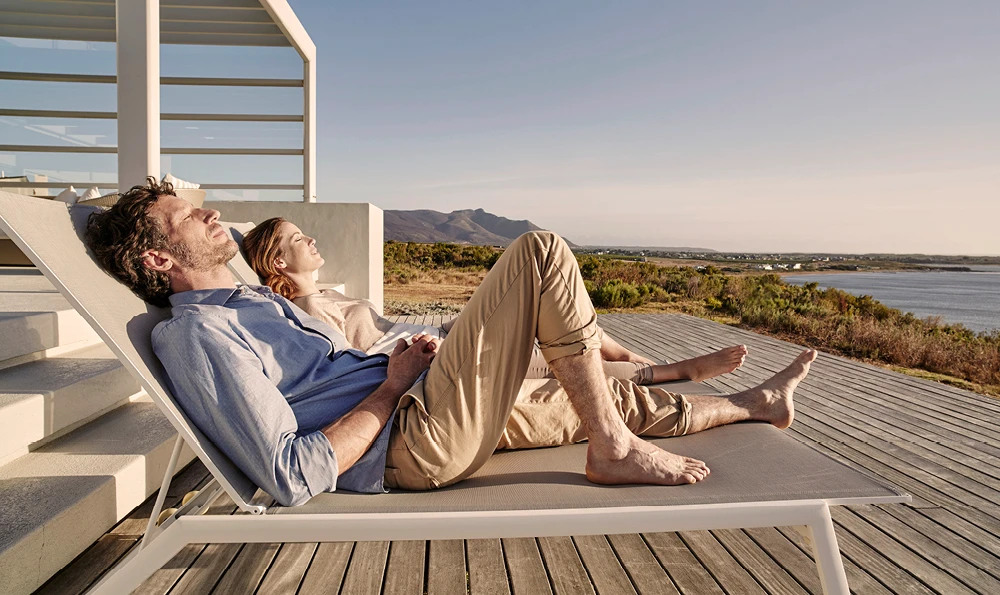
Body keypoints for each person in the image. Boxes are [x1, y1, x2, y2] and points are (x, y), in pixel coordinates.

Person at [86, 179, 817, 507]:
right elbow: (289, 472)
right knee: (539, 253)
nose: (210, 212)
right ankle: (613, 449)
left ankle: (754, 405)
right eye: (187, 215)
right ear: (158, 257)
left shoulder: (248, 301)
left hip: (422, 399)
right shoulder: (200, 334)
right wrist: (390, 385)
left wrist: (400, 369)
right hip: (412, 435)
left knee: (597, 395)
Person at [241, 216, 749, 384]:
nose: (312, 239)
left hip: (440, 334)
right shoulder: (307, 312)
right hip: (435, 355)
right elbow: (353, 367)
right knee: (551, 357)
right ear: (279, 263)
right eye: (299, 239)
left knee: (548, 314)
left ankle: (637, 360)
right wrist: (420, 352)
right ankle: (667, 372)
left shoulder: (326, 294)